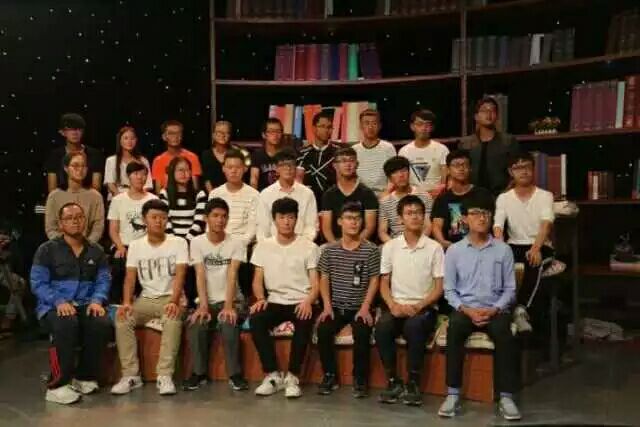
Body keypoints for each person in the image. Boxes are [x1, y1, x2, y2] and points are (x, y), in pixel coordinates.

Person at [439, 195, 520, 421]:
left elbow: (510, 289)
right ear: (465, 218)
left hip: (495, 309)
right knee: (454, 329)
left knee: (504, 334)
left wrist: (495, 309)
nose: (481, 218)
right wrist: (466, 310)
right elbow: (449, 290)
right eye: (475, 213)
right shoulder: (454, 251)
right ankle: (452, 394)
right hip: (466, 309)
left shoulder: (503, 250)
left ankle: (506, 397)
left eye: (486, 213)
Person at [30, 202, 111, 404]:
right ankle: (57, 384)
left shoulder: (96, 251)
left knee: (100, 323)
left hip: (85, 303)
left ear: (85, 221)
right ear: (60, 223)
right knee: (66, 323)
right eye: (69, 218)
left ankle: (83, 376)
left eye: (79, 217)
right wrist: (58, 301)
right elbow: (37, 283)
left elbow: (103, 280)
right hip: (53, 306)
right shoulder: (46, 250)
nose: (75, 221)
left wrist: (97, 300)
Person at [111, 199, 189, 396]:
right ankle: (131, 375)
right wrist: (127, 302)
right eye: (154, 217)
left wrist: (174, 301)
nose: (159, 221)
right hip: (145, 300)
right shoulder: (136, 245)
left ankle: (165, 375)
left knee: (172, 318)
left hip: (170, 297)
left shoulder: (178, 242)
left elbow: (180, 275)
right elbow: (130, 278)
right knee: (123, 318)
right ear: (144, 219)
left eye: (163, 218)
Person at [376, 195, 444, 406]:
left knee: (414, 327)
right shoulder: (390, 247)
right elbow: (383, 283)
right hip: (397, 305)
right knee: (383, 327)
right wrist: (392, 305)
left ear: (424, 217)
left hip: (424, 307)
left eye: (418, 213)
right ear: (400, 218)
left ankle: (413, 382)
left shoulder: (434, 248)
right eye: (409, 213)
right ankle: (393, 381)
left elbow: (439, 287)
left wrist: (419, 305)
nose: (414, 217)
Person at [249, 197, 320, 398]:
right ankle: (273, 375)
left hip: (301, 300)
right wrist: (260, 298)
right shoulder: (263, 246)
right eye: (282, 217)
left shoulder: (309, 247)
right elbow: (257, 280)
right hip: (274, 300)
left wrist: (308, 301)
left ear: (297, 219)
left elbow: (316, 283)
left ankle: (293, 377)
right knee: (256, 320)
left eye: (291, 217)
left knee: (304, 321)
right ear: (274, 220)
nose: (286, 222)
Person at [183, 198, 249, 392]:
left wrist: (228, 306)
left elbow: (232, 274)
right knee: (197, 323)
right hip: (207, 300)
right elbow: (200, 274)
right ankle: (199, 373)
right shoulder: (197, 243)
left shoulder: (236, 242)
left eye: (224, 216)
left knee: (229, 322)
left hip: (233, 300)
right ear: (206, 218)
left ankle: (235, 374)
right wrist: (203, 306)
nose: (220, 220)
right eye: (215, 216)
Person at [316, 202, 380, 398]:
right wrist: (327, 306)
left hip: (360, 306)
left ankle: (359, 379)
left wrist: (366, 307)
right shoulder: (329, 250)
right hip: (336, 306)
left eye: (358, 218)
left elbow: (374, 279)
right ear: (339, 222)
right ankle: (329, 375)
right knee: (323, 329)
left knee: (362, 331)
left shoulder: (371, 250)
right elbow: (324, 278)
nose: (354, 222)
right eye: (349, 218)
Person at [494, 151, 555, 333]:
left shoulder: (545, 195)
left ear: (533, 169)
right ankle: (499, 309)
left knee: (533, 262)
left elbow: (546, 224)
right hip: (514, 244)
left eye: (527, 167)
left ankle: (521, 310)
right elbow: (498, 225)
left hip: (540, 244)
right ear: (511, 172)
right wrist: (499, 247)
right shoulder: (504, 198)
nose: (523, 171)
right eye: (518, 168)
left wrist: (536, 248)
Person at [209, 149, 259, 298]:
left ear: (244, 169)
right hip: (219, 241)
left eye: (237, 167)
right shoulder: (215, 194)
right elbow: (210, 224)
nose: (233, 171)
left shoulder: (254, 194)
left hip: (243, 243)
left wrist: (238, 243)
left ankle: (242, 299)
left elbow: (253, 226)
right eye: (229, 167)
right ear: (223, 169)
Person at [107, 162, 158, 303]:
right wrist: (120, 246)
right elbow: (113, 230)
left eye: (143, 174)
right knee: (119, 266)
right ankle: (116, 304)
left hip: (146, 246)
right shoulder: (118, 200)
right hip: (123, 245)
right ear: (128, 176)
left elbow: (156, 229)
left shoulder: (153, 200)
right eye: (136, 174)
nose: (140, 177)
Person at [431, 150, 494, 250]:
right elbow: (436, 225)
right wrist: (442, 242)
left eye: (465, 165)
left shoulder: (483, 194)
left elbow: (488, 223)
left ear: (470, 168)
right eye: (456, 165)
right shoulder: (442, 199)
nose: (461, 168)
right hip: (452, 248)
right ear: (448, 170)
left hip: (480, 246)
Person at [459, 96, 520, 196]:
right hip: (472, 195)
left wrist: (505, 194)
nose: (489, 114)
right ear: (476, 116)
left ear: (497, 116)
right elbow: (459, 171)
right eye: (484, 111)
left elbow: (517, 170)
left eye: (492, 110)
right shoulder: (465, 144)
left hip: (502, 194)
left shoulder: (508, 141)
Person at [256, 149, 317, 242]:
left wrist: (303, 244)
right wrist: (269, 245)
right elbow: (262, 228)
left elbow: (311, 226)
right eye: (283, 165)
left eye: (291, 165)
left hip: (301, 244)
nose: (288, 168)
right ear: (277, 169)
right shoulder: (266, 194)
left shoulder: (307, 194)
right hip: (273, 245)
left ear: (296, 168)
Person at [321, 147, 378, 243]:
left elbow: (369, 227)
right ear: (335, 166)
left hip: (361, 243)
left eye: (351, 160)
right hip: (336, 243)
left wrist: (353, 245)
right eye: (343, 161)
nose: (348, 164)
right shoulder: (329, 195)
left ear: (357, 164)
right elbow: (326, 229)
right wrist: (337, 246)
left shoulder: (367, 193)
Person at [44, 152, 104, 244]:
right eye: (75, 166)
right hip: (60, 247)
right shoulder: (54, 196)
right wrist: (64, 246)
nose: (80, 169)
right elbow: (51, 228)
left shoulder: (95, 196)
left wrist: (85, 246)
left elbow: (98, 227)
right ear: (66, 168)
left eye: (83, 166)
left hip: (88, 246)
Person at [378, 156, 432, 243]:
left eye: (403, 170)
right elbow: (382, 232)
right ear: (389, 178)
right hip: (395, 243)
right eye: (395, 172)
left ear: (409, 172)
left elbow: (427, 226)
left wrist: (416, 244)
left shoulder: (424, 196)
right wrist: (395, 246)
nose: (401, 175)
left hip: (420, 242)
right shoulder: (385, 202)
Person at [46, 113, 103, 193]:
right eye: (70, 129)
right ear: (62, 132)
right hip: (61, 198)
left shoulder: (94, 154)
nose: (75, 133)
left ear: (83, 131)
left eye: (78, 129)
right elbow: (52, 189)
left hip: (88, 198)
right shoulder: (55, 155)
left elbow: (96, 187)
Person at [398, 109, 449, 195]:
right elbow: (401, 178)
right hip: (412, 197)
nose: (424, 128)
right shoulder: (404, 151)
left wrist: (439, 191)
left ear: (432, 127)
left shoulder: (442, 149)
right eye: (419, 124)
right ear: (412, 126)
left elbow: (445, 180)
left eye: (427, 125)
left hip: (436, 196)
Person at [296, 110, 341, 206]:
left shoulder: (339, 153)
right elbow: (297, 183)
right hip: (307, 203)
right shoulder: (301, 154)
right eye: (322, 126)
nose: (326, 130)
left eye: (329, 127)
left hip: (333, 203)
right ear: (314, 128)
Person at [158, 157, 208, 242]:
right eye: (180, 170)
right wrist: (174, 241)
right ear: (172, 172)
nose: (184, 173)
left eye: (187, 170)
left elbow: (199, 222)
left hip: (193, 241)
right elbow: (164, 220)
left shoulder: (200, 194)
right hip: (170, 241)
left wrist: (186, 241)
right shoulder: (164, 193)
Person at [352, 109, 396, 195]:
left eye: (374, 123)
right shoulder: (354, 150)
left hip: (384, 195)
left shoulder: (388, 148)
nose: (370, 127)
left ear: (380, 126)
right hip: (360, 196)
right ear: (361, 126)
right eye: (367, 123)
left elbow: (394, 177)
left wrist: (383, 196)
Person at [200, 120, 251, 193]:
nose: (223, 135)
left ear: (230, 135)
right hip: (213, 194)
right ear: (213, 135)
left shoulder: (239, 152)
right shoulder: (206, 154)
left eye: (226, 133)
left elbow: (244, 177)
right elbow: (207, 179)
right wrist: (213, 195)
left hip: (236, 191)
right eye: (219, 132)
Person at [151, 120, 202, 192]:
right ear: (164, 137)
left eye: (178, 133)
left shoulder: (192, 157)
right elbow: (158, 190)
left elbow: (195, 188)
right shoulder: (158, 160)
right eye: (171, 133)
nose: (175, 136)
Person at [104, 126, 153, 200]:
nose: (129, 141)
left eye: (132, 138)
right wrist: (122, 199)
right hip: (117, 197)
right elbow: (110, 184)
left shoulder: (143, 161)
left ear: (136, 140)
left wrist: (135, 197)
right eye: (126, 138)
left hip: (138, 197)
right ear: (120, 141)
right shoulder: (111, 160)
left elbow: (148, 184)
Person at [250, 118, 284, 191]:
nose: (275, 135)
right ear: (264, 135)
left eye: (278, 131)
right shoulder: (257, 155)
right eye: (271, 131)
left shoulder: (286, 155)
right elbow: (254, 180)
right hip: (262, 195)